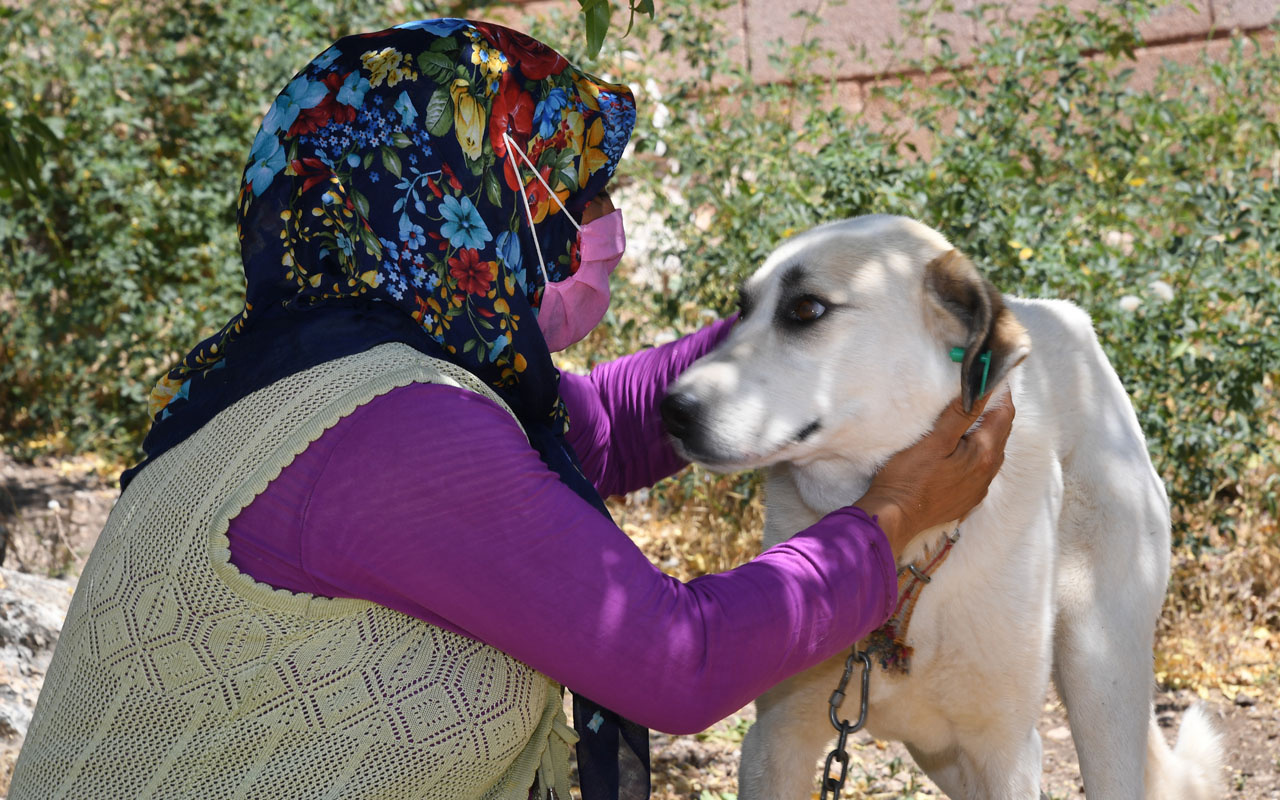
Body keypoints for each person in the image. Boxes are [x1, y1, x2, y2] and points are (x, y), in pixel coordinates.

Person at [9, 19, 1013, 800]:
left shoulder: (323, 369)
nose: (600, 227)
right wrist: (888, 519)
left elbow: (610, 425)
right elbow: (677, 658)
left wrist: (789, 329)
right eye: (577, 194)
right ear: (464, 208)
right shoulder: (398, 430)